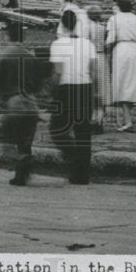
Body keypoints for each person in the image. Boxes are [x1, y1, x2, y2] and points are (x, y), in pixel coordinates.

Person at [0, 22, 48, 185]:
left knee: (5, 140)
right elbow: (39, 83)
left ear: (7, 36)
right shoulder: (31, 56)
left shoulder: (5, 55)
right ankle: (21, 175)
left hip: (14, 105)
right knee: (25, 143)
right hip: (31, 105)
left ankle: (22, 161)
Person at [49, 10, 97, 184]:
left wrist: (53, 93)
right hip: (85, 88)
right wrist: (95, 92)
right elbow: (93, 72)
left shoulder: (58, 44)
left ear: (62, 24)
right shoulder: (88, 44)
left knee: (57, 129)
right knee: (83, 132)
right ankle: (82, 174)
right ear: (76, 23)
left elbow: (58, 72)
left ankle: (73, 156)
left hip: (66, 89)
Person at [106, 0, 136, 131]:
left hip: (122, 50)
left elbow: (110, 39)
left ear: (118, 6)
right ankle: (127, 117)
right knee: (132, 83)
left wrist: (105, 49)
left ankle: (128, 120)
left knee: (123, 84)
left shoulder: (114, 19)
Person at [85, 5, 111, 132]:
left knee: (91, 89)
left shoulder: (87, 28)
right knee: (102, 90)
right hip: (102, 57)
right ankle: (99, 120)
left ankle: (92, 120)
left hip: (91, 58)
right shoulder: (103, 28)